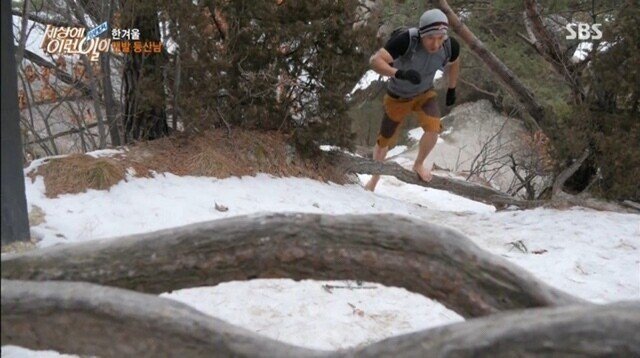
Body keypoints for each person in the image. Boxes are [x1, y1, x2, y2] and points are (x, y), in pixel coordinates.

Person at [364, 9, 460, 192]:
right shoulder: (406, 40)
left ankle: (418, 164)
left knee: (433, 128)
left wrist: (452, 88)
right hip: (397, 96)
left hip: (424, 94)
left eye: (440, 37)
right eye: (431, 37)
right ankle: (375, 178)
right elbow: (376, 61)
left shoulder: (450, 46)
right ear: (422, 33)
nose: (436, 43)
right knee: (385, 139)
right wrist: (399, 73)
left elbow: (455, 62)